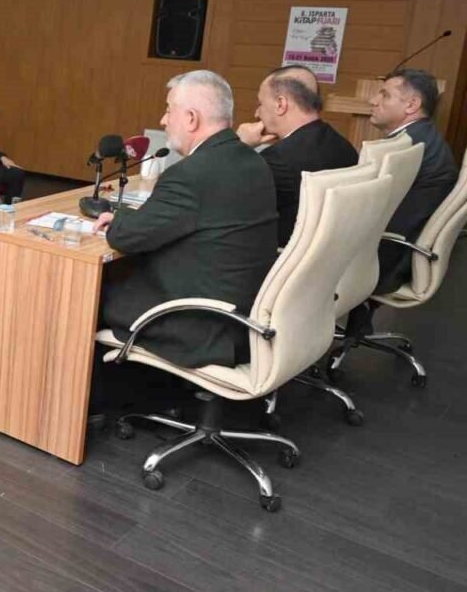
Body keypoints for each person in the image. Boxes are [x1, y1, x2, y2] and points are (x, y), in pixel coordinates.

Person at [92, 70, 277, 372]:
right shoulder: (253, 161)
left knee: (86, 292)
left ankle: (90, 391)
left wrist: (119, 218)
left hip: (196, 324)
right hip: (242, 317)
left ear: (191, 118)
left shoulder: (190, 174)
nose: (163, 120)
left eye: (168, 110)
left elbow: (126, 237)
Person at [236, 66, 357, 246]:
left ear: (280, 104)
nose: (256, 113)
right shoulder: (343, 145)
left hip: (277, 256)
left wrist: (239, 146)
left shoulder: (279, 160)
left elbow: (220, 200)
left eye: (260, 103)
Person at [367, 68, 459, 292]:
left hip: (384, 262)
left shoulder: (404, 149)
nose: (373, 101)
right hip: (400, 253)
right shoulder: (424, 138)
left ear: (411, 105)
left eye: (385, 95)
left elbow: (366, 210)